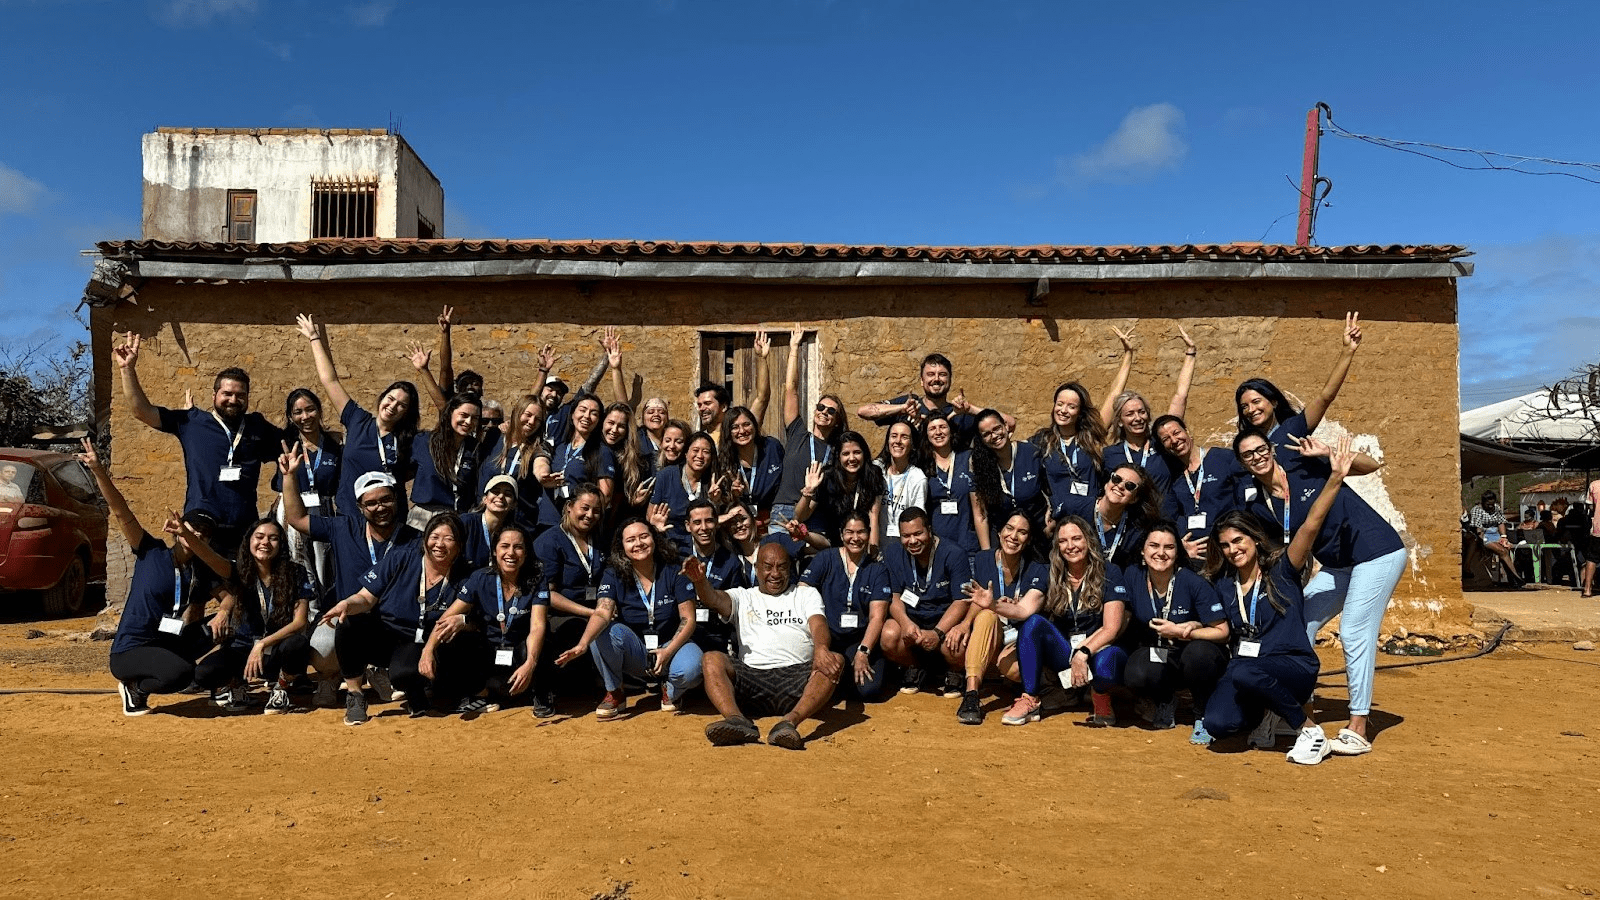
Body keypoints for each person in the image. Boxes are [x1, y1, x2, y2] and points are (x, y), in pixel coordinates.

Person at [1235, 428, 1407, 756]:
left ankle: (1358, 726)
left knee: (1354, 630)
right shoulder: (1259, 506)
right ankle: (1298, 714)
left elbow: (1370, 464)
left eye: (1260, 449)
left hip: (1377, 551)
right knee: (1298, 623)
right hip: (1340, 565)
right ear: (1243, 463)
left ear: (1270, 450)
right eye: (1248, 454)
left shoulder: (1306, 465)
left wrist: (1328, 452)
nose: (1257, 457)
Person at [1204, 436, 1362, 765]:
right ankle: (1268, 714)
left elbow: (1311, 524)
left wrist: (1334, 478)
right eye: (1226, 545)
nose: (1234, 550)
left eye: (1238, 540)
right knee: (1218, 724)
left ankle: (1310, 731)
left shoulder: (1282, 569)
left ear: (1254, 539)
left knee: (1246, 673)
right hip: (1250, 669)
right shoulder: (1224, 585)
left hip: (1292, 666)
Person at [83, 439, 231, 716]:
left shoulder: (201, 569)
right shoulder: (150, 550)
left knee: (234, 621)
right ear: (178, 528)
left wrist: (224, 610)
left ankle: (226, 682)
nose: (196, 535)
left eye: (204, 533)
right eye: (192, 528)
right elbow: (120, 511)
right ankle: (135, 690)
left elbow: (230, 595)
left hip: (168, 641)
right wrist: (98, 470)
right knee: (182, 674)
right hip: (132, 650)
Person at [116, 332, 279, 551]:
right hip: (201, 528)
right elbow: (141, 411)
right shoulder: (192, 421)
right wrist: (127, 369)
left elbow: (294, 444)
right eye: (227, 393)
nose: (233, 400)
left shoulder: (257, 426)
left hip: (244, 530)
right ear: (214, 396)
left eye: (241, 395)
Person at [281, 456, 419, 709]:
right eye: (372, 503)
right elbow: (297, 519)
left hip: (389, 625)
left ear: (397, 499)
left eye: (386, 499)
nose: (380, 507)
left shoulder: (414, 540)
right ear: (360, 507)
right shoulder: (343, 527)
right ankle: (330, 676)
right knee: (323, 645)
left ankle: (377, 669)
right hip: (349, 618)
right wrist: (290, 477)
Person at [319, 511, 472, 725]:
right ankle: (355, 695)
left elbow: (477, 618)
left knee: (403, 674)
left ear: (460, 544)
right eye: (434, 537)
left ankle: (418, 693)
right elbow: (365, 597)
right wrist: (347, 603)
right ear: (425, 538)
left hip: (423, 642)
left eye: (449, 538)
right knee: (349, 622)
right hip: (387, 634)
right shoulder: (402, 557)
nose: (440, 544)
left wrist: (460, 623)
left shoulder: (466, 575)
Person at [685, 542, 842, 750]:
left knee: (835, 659)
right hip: (753, 680)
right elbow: (713, 598)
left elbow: (819, 624)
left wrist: (821, 648)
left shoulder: (806, 594)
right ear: (756, 569)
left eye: (782, 567)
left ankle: (789, 723)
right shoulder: (743, 596)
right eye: (768, 567)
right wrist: (700, 581)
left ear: (791, 568)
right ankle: (736, 720)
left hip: (798, 680)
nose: (775, 574)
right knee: (711, 659)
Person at [557, 519, 702, 720]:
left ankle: (670, 689)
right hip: (637, 651)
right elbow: (601, 613)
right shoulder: (613, 573)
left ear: (654, 539)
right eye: (631, 540)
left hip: (671, 646)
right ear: (622, 547)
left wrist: (667, 651)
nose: (639, 544)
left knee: (693, 667)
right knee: (602, 631)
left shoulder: (675, 569)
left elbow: (688, 619)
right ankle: (615, 691)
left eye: (644, 536)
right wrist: (582, 644)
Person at [1002, 516, 1129, 727]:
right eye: (1063, 541)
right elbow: (1023, 609)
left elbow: (1111, 628)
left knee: (1108, 661)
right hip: (1065, 652)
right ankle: (1030, 698)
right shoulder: (1050, 572)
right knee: (1033, 623)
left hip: (1097, 650)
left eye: (1076, 539)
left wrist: (1083, 653)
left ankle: (1099, 694)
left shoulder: (1109, 572)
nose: (1070, 546)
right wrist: (992, 605)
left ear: (1088, 540)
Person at [296, 314, 422, 521]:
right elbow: (330, 381)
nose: (392, 406)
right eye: (390, 399)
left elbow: (409, 472)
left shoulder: (408, 439)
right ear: (382, 398)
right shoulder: (358, 420)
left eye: (401, 405)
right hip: (350, 515)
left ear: (407, 412)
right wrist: (314, 338)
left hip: (389, 520)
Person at [1119, 522, 1229, 740]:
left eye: (1169, 547)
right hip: (1161, 654)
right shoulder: (1133, 576)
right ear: (1143, 550)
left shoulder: (1192, 581)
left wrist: (1184, 632)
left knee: (1198, 655)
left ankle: (1202, 713)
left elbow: (1222, 631)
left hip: (1195, 653)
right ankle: (1166, 700)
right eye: (1154, 546)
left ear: (1178, 552)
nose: (1161, 553)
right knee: (1136, 671)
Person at [424, 521, 547, 714]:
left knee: (542, 643)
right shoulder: (480, 578)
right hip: (490, 651)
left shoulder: (537, 579)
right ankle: (480, 693)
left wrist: (530, 664)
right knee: (452, 631)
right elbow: (446, 618)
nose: (511, 553)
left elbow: (537, 626)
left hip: (520, 651)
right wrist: (428, 650)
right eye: (504, 546)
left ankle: (541, 692)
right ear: (495, 552)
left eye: (518, 547)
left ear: (526, 552)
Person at [195, 518, 314, 714]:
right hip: (243, 649)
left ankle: (281, 688)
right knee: (204, 674)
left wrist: (262, 644)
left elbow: (300, 622)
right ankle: (236, 685)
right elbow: (210, 558)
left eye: (273, 538)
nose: (265, 543)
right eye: (259, 537)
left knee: (297, 644)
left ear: (281, 544)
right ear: (249, 540)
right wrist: (185, 535)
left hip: (276, 650)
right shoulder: (238, 571)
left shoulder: (295, 572)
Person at [957, 512, 1048, 725]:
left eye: (1022, 532)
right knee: (987, 615)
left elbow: (1028, 611)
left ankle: (1008, 679)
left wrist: (1002, 605)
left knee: (1013, 669)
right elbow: (978, 601)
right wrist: (965, 623)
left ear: (1029, 540)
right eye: (1009, 528)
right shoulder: (983, 559)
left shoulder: (1038, 568)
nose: (1013, 536)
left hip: (1019, 637)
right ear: (999, 532)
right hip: (992, 629)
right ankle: (971, 696)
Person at [1234, 312, 1362, 459]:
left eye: (1256, 401)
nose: (1251, 410)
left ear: (1274, 402)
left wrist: (1348, 351)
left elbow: (1325, 397)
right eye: (1244, 406)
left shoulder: (1292, 429)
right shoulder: (1248, 449)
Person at [799, 511, 893, 701]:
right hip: (828, 637)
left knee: (869, 691)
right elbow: (802, 592)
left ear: (869, 533)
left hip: (858, 639)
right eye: (850, 532)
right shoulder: (826, 558)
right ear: (841, 534)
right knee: (805, 685)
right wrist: (818, 644)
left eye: (861, 532)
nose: (855, 538)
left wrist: (863, 652)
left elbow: (877, 617)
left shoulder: (877, 569)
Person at [880, 507, 973, 697]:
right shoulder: (893, 553)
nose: (912, 541)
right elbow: (894, 597)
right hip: (913, 619)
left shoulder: (954, 553)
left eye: (918, 533)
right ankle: (915, 667)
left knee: (956, 645)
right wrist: (905, 623)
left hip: (945, 620)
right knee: (889, 635)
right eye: (906, 536)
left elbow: (961, 600)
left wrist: (938, 632)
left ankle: (954, 671)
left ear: (929, 530)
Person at [532, 484, 608, 715]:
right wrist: (590, 613)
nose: (590, 515)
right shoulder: (550, 541)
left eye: (596, 511)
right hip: (561, 615)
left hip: (596, 610)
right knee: (570, 630)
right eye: (584, 508)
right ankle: (544, 692)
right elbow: (547, 595)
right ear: (568, 507)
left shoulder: (600, 538)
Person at [1100, 325, 1197, 500]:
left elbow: (1180, 395)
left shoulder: (1162, 444)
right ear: (1120, 421)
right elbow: (1113, 395)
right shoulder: (1110, 455)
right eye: (1130, 414)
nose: (1137, 418)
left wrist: (1190, 353)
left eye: (1141, 412)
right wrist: (1129, 354)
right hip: (1131, 525)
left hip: (1166, 523)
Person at [769, 324, 845, 534]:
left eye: (831, 411)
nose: (824, 412)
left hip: (816, 513)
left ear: (837, 420)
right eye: (821, 407)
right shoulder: (798, 433)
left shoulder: (836, 451)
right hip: (784, 511)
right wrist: (794, 348)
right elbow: (790, 389)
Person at [856, 352, 1012, 450]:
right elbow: (863, 411)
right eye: (931, 374)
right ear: (922, 381)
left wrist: (971, 409)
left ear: (950, 380)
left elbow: (1009, 423)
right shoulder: (909, 403)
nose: (936, 379)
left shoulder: (960, 413)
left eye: (942, 374)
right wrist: (901, 408)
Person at [270, 388, 341, 600]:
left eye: (310, 410)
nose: (305, 417)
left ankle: (323, 607)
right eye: (298, 412)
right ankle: (303, 608)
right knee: (295, 557)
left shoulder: (335, 444)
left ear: (319, 410)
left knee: (324, 561)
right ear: (291, 417)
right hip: (291, 507)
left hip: (324, 509)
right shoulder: (285, 445)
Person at [1152, 414, 1243, 569]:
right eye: (1166, 439)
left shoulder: (1223, 458)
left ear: (1187, 431)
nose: (1174, 440)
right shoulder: (1173, 476)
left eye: (1176, 433)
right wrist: (1180, 545)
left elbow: (1244, 502)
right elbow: (1171, 517)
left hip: (1229, 552)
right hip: (1195, 560)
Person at [542, 393, 618, 538]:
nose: (587, 416)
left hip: (575, 528)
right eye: (582, 410)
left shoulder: (602, 452)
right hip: (547, 521)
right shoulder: (560, 447)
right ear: (572, 414)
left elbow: (605, 495)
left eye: (593, 413)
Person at [676, 499, 746, 656]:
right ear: (688, 526)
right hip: (684, 633)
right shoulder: (678, 557)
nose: (703, 528)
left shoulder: (730, 561)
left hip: (717, 634)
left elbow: (735, 606)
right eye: (697, 522)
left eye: (709, 521)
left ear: (717, 522)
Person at [795, 430, 884, 551]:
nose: (852, 458)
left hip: (860, 542)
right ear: (838, 456)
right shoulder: (827, 478)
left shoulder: (873, 475)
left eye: (857, 452)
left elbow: (874, 516)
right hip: (831, 543)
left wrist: (873, 551)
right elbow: (800, 516)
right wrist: (808, 491)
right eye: (846, 453)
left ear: (864, 454)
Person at [971, 408, 1047, 548]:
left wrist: (1051, 521)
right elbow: (980, 515)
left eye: (997, 428)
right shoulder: (979, 467)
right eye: (987, 434)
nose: (994, 436)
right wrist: (987, 553)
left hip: (1037, 537)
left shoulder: (1031, 452)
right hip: (1004, 540)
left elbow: (1053, 489)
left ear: (1006, 426)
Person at [476, 393, 551, 531]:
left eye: (538, 419)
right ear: (517, 412)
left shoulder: (538, 447)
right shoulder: (493, 437)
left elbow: (541, 462)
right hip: (482, 520)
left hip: (517, 527)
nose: (532, 421)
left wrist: (542, 475)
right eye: (527, 414)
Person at [409, 393, 482, 522]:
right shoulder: (423, 441)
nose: (469, 422)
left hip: (457, 517)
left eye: (475, 418)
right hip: (423, 516)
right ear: (450, 413)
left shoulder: (475, 448)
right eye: (464, 415)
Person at [922, 411, 984, 558]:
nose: (938, 432)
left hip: (968, 548)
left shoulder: (968, 458)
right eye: (932, 428)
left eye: (942, 427)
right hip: (936, 551)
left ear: (951, 430)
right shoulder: (922, 465)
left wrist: (986, 554)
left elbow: (980, 511)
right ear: (926, 435)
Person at [650, 430, 723, 554]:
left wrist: (714, 502)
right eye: (695, 450)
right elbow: (650, 515)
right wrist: (656, 528)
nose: (700, 456)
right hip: (669, 547)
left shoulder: (714, 482)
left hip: (702, 548)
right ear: (686, 453)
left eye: (706, 452)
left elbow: (715, 523)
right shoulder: (666, 475)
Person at [722, 405, 784, 521]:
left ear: (754, 425)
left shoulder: (772, 447)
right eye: (735, 427)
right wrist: (734, 496)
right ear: (728, 432)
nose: (742, 431)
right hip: (741, 522)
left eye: (746, 424)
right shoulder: (726, 461)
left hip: (775, 518)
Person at [1092, 463, 1161, 568]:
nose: (1120, 486)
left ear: (1134, 498)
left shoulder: (1136, 530)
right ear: (1106, 484)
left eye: (1130, 486)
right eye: (1116, 479)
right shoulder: (1074, 507)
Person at [875, 421, 927, 553]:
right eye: (894, 436)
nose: (898, 441)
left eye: (904, 437)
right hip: (876, 547)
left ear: (912, 445)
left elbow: (917, 519)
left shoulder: (917, 478)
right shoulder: (876, 469)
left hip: (904, 550)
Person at [602, 401, 652, 522]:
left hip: (612, 523)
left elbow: (622, 502)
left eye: (621, 426)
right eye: (611, 423)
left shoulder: (631, 460)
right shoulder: (592, 450)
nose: (614, 430)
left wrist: (633, 502)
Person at [461, 475, 519, 569]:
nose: (500, 496)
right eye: (495, 492)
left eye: (507, 494)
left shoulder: (515, 533)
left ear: (514, 504)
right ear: (485, 499)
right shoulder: (466, 522)